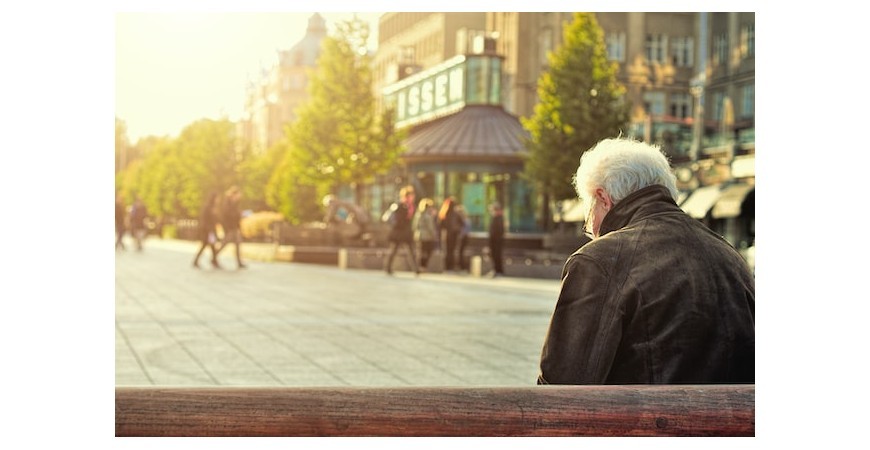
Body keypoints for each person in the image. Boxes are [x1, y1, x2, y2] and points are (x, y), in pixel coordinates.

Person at [537, 137, 755, 385]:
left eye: (588, 216)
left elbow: (561, 386)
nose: (591, 229)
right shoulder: (730, 256)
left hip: (642, 422)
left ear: (603, 198)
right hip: (734, 422)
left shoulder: (599, 260)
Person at [384, 185, 420, 275]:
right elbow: (398, 219)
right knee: (394, 250)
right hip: (399, 232)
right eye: (411, 195)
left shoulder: (411, 207)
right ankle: (388, 268)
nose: (413, 197)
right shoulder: (399, 206)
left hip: (407, 232)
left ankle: (416, 269)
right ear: (407, 196)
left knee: (412, 251)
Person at [215, 186, 247, 269]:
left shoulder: (234, 203)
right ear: (234, 195)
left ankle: (239, 262)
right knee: (224, 243)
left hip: (234, 227)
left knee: (237, 244)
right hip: (230, 228)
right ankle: (214, 256)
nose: (239, 197)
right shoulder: (227, 203)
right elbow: (226, 216)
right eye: (238, 195)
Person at [192, 191, 222, 269]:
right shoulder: (208, 207)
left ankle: (213, 261)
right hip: (208, 231)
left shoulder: (213, 207)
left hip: (211, 230)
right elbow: (205, 219)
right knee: (207, 245)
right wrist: (208, 229)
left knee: (210, 246)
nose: (218, 200)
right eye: (217, 198)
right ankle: (213, 261)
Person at [437, 197, 463, 273]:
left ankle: (448, 266)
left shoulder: (444, 213)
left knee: (448, 251)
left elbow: (440, 225)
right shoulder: (455, 214)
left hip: (447, 234)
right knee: (452, 251)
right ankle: (450, 266)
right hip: (453, 234)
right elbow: (462, 223)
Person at [413, 198, 438, 272]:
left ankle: (420, 266)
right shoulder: (428, 216)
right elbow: (431, 227)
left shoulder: (418, 214)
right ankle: (423, 266)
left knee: (421, 252)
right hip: (427, 236)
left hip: (418, 235)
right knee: (427, 252)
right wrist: (434, 235)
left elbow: (414, 226)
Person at [487, 202, 505, 278]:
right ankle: (497, 270)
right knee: (494, 255)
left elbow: (499, 231)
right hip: (494, 240)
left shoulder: (498, 218)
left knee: (497, 255)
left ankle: (498, 270)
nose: (491, 212)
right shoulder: (496, 218)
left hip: (496, 240)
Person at [455, 204, 471, 272]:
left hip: (464, 237)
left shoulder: (464, 220)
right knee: (460, 251)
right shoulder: (464, 219)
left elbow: (466, 229)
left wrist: (461, 235)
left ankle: (462, 266)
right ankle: (461, 266)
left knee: (461, 251)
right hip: (463, 237)